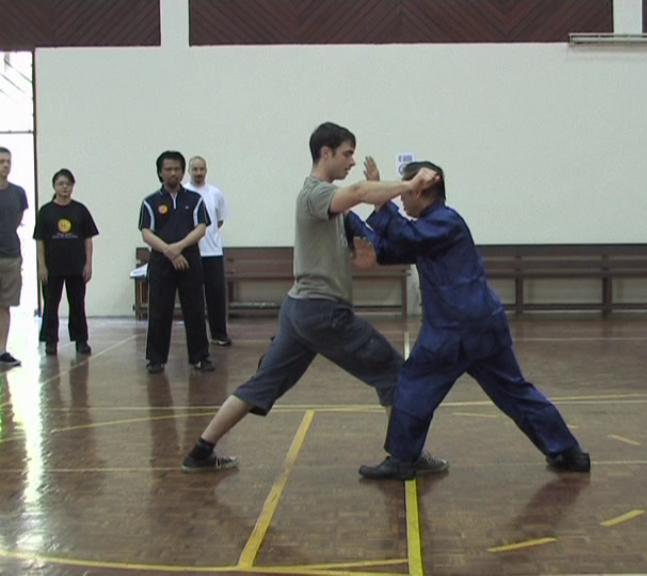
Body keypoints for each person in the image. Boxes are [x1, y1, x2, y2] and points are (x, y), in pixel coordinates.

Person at [181, 122, 446, 473]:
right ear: (326, 153)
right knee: (395, 372)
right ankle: (404, 457)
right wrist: (409, 184)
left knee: (263, 384)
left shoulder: (334, 207)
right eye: (347, 153)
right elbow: (361, 191)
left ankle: (201, 451)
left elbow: (365, 238)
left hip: (300, 312)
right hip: (321, 312)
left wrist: (367, 256)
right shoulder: (315, 194)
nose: (351, 161)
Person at [356, 160, 591, 480]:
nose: (402, 198)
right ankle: (567, 452)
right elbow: (397, 246)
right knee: (515, 392)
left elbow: (406, 237)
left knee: (412, 386)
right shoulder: (435, 226)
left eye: (406, 191)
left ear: (423, 189)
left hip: (454, 330)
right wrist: (359, 233)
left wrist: (381, 201)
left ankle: (401, 459)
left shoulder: (444, 222)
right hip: (483, 326)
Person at [138, 151, 214, 374]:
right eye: (168, 169)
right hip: (161, 261)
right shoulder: (150, 201)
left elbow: (201, 228)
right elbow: (146, 233)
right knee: (160, 310)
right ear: (160, 173)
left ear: (182, 172)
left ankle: (200, 357)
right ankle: (156, 359)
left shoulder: (194, 199)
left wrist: (179, 248)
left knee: (195, 309)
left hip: (189, 260)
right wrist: (169, 252)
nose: (173, 173)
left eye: (177, 169)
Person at [34, 169, 99, 355]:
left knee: (77, 303)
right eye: (61, 184)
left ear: (72, 187)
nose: (64, 187)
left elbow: (88, 239)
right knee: (51, 305)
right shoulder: (46, 211)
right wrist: (42, 266)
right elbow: (40, 241)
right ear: (54, 186)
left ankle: (81, 340)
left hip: (76, 266)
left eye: (68, 184)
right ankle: (50, 341)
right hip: (52, 267)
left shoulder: (80, 210)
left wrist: (88, 264)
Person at [185, 156, 231, 346]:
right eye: (195, 169)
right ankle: (196, 338)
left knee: (216, 295)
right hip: (192, 253)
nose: (198, 173)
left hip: (212, 252)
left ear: (206, 170)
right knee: (193, 297)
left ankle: (219, 334)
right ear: (189, 171)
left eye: (201, 169)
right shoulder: (184, 193)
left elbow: (218, 221)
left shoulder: (215, 193)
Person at [0, 147, 28, 368]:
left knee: (5, 305)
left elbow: (17, 219)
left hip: (10, 256)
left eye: (8, 161)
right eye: (1, 161)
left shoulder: (18, 193)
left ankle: (2, 351)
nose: (5, 165)